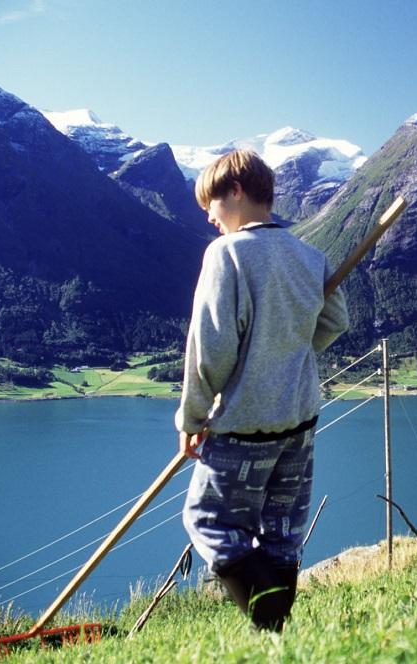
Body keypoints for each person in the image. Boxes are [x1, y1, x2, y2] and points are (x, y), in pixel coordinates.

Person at [175, 149, 348, 631]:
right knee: (282, 533)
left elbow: (209, 350)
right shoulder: (308, 255)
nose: (209, 217)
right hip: (299, 423)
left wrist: (189, 420)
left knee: (208, 521)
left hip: (245, 427)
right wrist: (287, 346)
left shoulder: (227, 254)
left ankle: (269, 617)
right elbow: (336, 318)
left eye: (210, 203)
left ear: (235, 191)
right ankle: (277, 633)